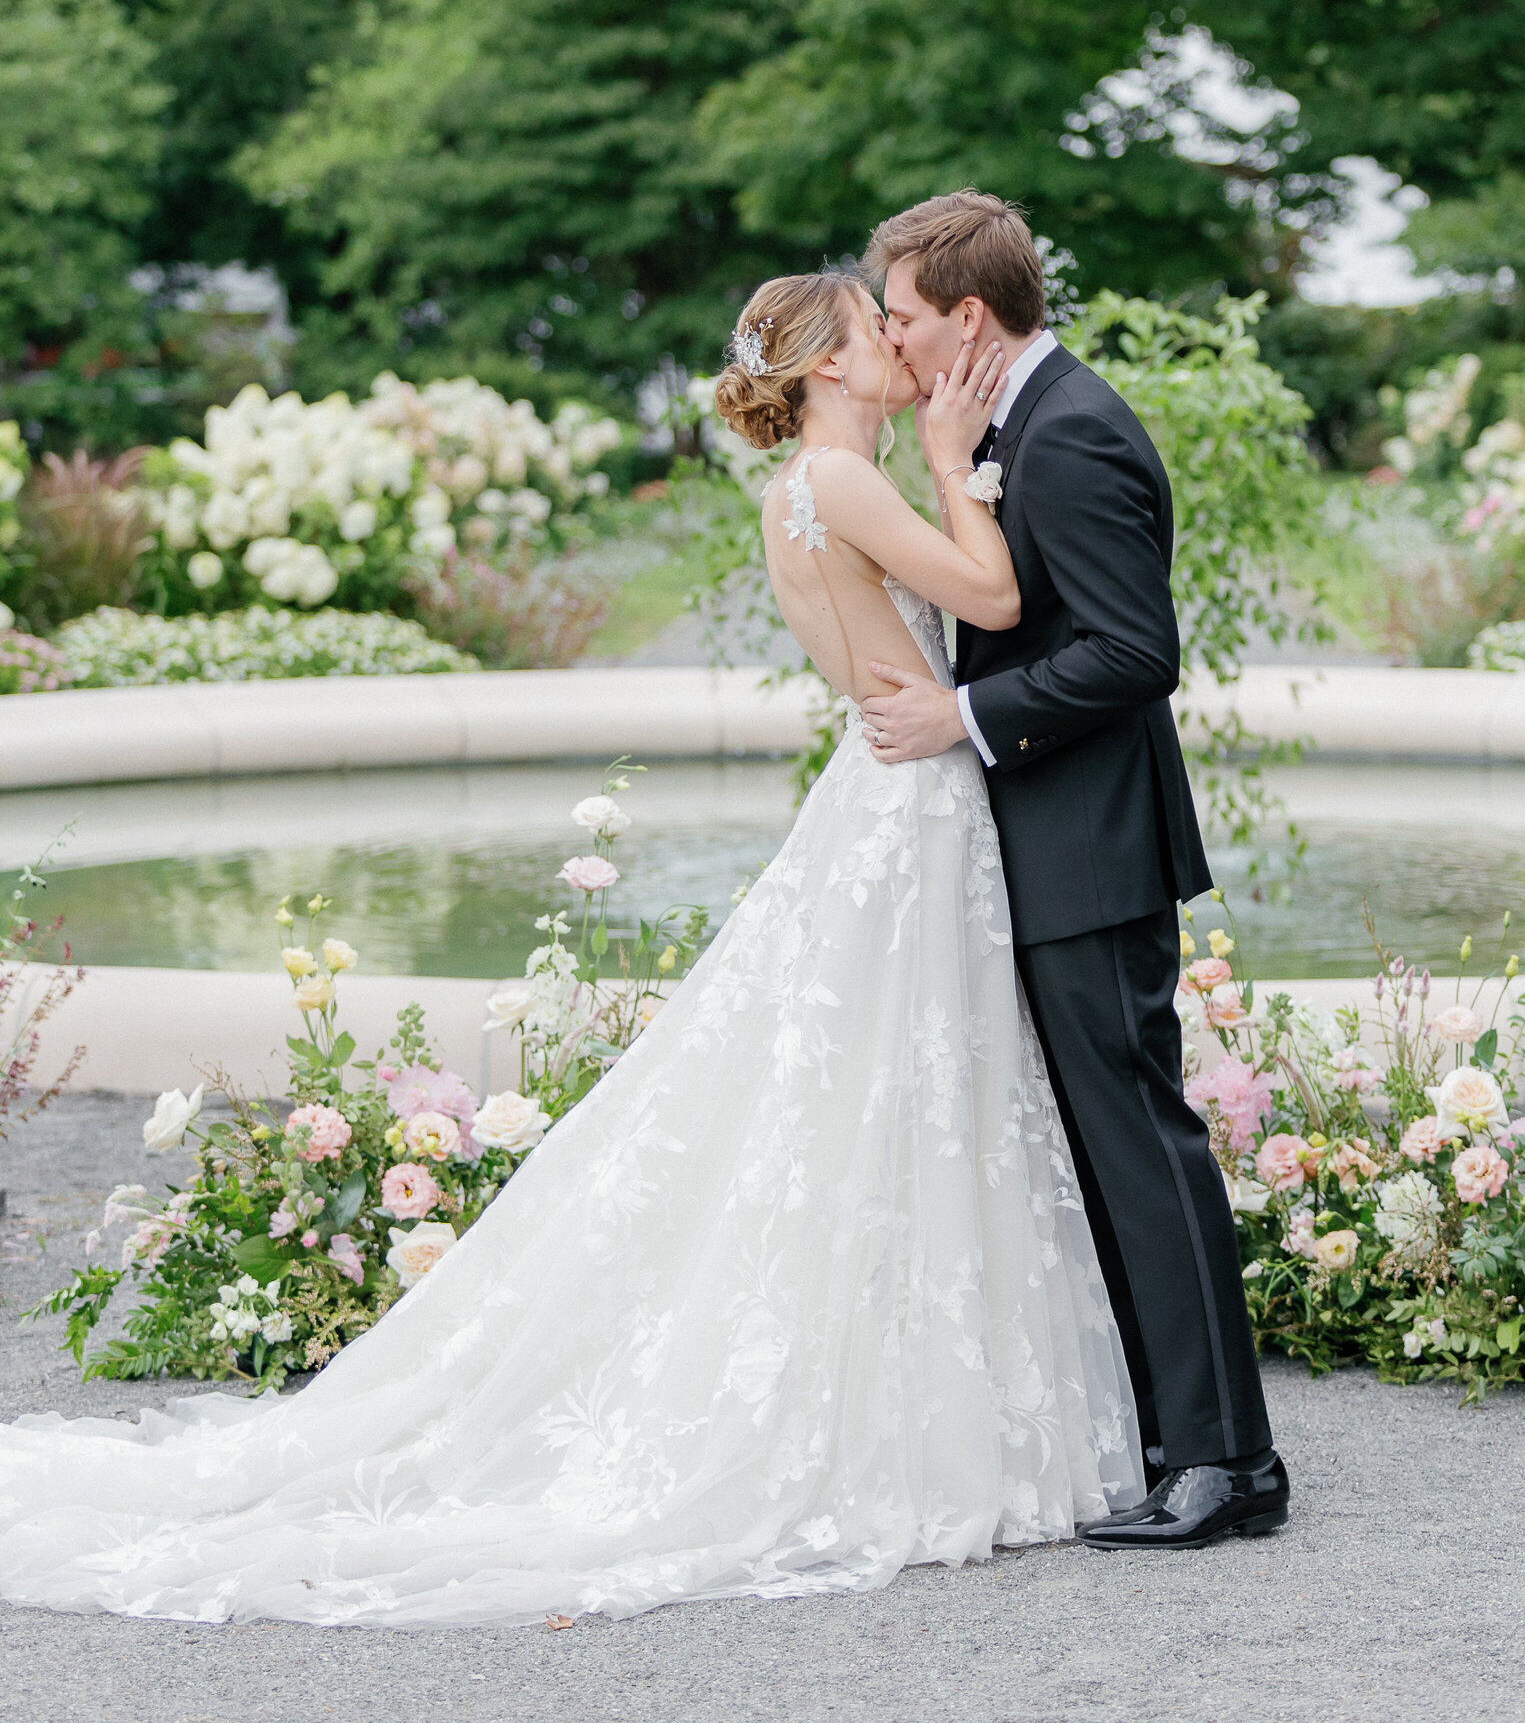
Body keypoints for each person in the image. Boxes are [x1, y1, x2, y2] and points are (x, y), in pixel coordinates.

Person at [0, 269, 1142, 1630]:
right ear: (829, 367)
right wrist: (959, 465)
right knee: (896, 1089)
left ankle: (903, 1384)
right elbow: (998, 603)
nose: (903, 348)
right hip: (915, 793)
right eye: (875, 330)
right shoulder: (844, 484)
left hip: (886, 789)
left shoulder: (800, 487)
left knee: (876, 1091)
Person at [859, 191, 1290, 1550]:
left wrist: (961, 719)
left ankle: (1229, 1463)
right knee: (1108, 1155)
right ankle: (1180, 1436)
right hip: (1049, 847)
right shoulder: (1007, 426)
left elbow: (1133, 652)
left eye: (907, 318)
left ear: (969, 317)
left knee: (1143, 1149)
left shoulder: (1074, 434)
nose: (894, 338)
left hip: (1091, 849)